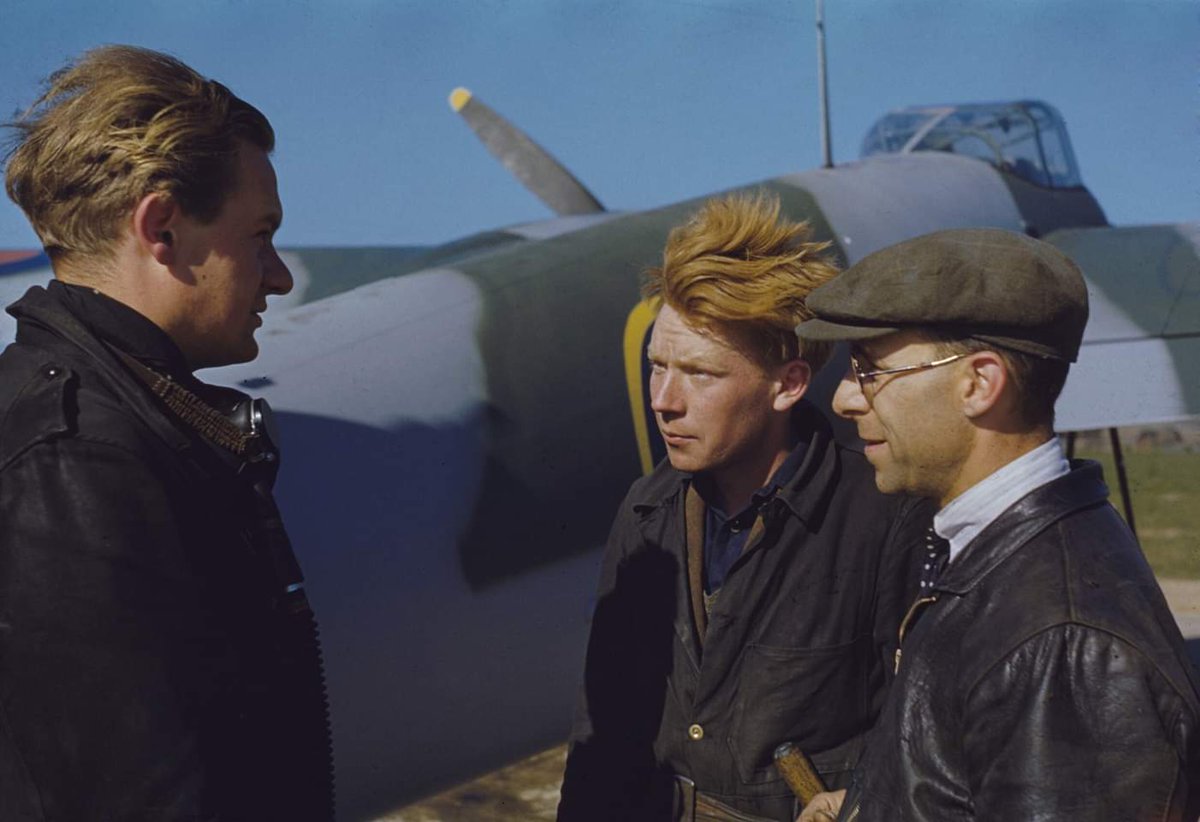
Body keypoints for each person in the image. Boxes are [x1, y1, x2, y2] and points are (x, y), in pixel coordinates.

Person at [0, 46, 334, 820]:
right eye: (260, 235)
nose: (278, 276)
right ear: (162, 226)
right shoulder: (78, 456)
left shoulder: (125, 418)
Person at [794, 228, 1200, 821]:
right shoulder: (993, 553)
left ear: (979, 383)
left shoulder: (1066, 640)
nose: (846, 400)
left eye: (870, 370)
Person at [557, 194, 931, 822]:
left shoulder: (883, 517)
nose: (665, 400)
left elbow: (928, 736)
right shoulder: (647, 509)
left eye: (700, 375)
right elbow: (604, 733)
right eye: (657, 366)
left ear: (787, 384)